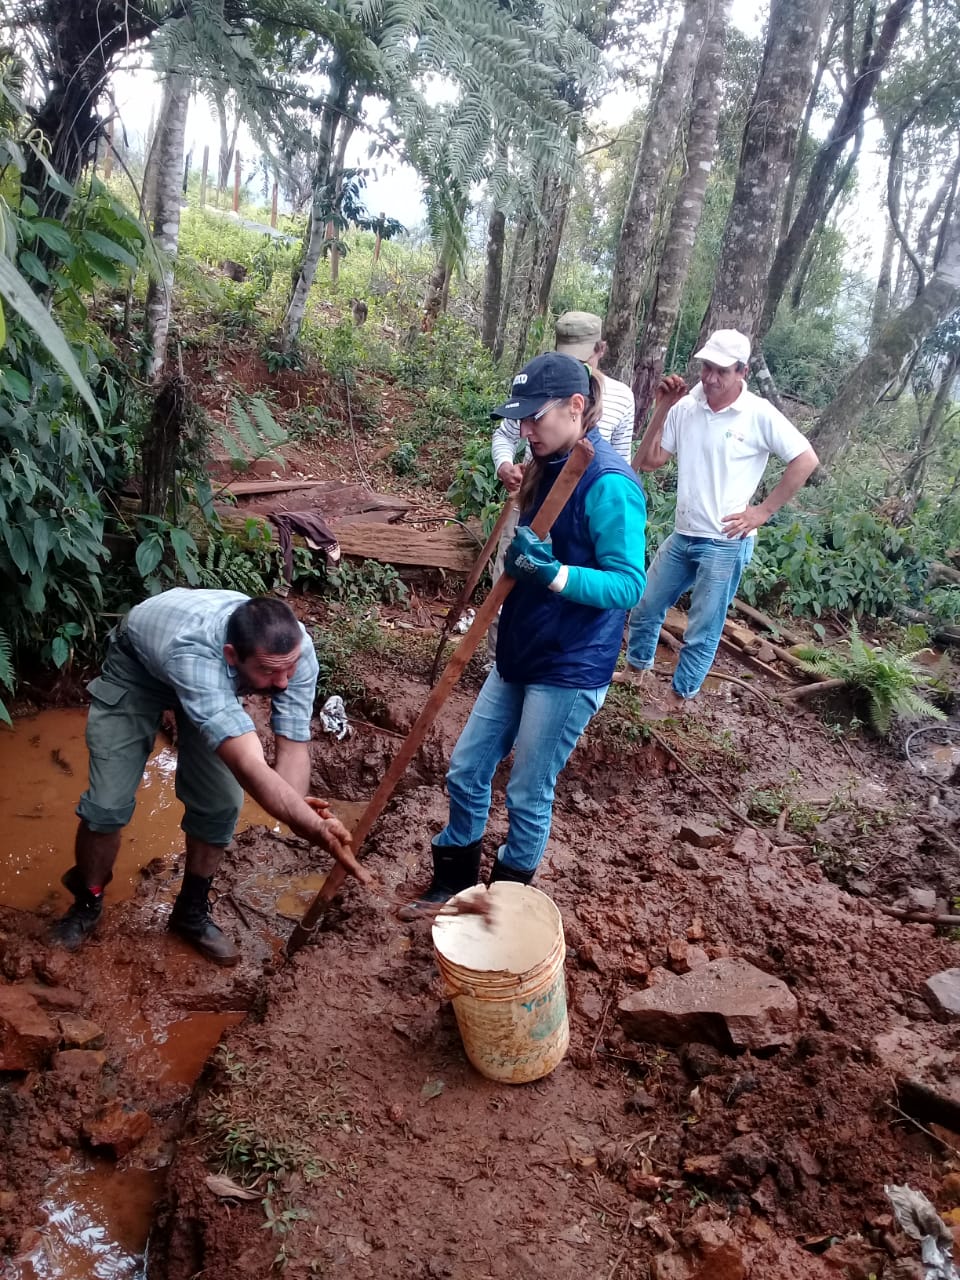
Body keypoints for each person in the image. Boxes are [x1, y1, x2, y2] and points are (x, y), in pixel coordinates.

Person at [401, 352, 647, 916]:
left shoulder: (610, 483)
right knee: (466, 767)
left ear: (576, 406)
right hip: (520, 648)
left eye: (536, 416)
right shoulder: (546, 463)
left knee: (528, 790)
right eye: (521, 419)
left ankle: (507, 906)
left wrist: (556, 573)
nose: (526, 429)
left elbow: (629, 585)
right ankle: (454, 885)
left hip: (570, 662)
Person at [51, 589, 370, 964]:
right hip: (140, 666)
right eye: (268, 671)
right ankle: (87, 900)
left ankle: (191, 912)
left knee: (220, 803)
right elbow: (249, 765)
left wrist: (299, 813)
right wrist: (314, 828)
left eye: (289, 668)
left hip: (209, 668)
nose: (283, 682)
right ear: (232, 656)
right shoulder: (196, 655)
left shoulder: (294, 652)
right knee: (106, 806)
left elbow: (293, 747)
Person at [616, 329, 819, 709]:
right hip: (684, 533)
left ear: (741, 370)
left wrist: (762, 512)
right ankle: (636, 671)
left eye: (720, 371)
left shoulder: (757, 414)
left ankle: (679, 698)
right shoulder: (687, 407)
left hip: (725, 541)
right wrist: (661, 407)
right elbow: (648, 461)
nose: (709, 378)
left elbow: (805, 459)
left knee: (703, 626)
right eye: (706, 367)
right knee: (644, 605)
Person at [487, 311, 635, 660]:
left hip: (581, 513)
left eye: (582, 357)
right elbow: (507, 435)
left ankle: (549, 665)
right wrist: (505, 465)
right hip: (533, 499)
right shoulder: (541, 382)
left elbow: (622, 461)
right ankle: (501, 660)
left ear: (600, 349)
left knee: (557, 592)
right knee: (511, 584)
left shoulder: (619, 398)